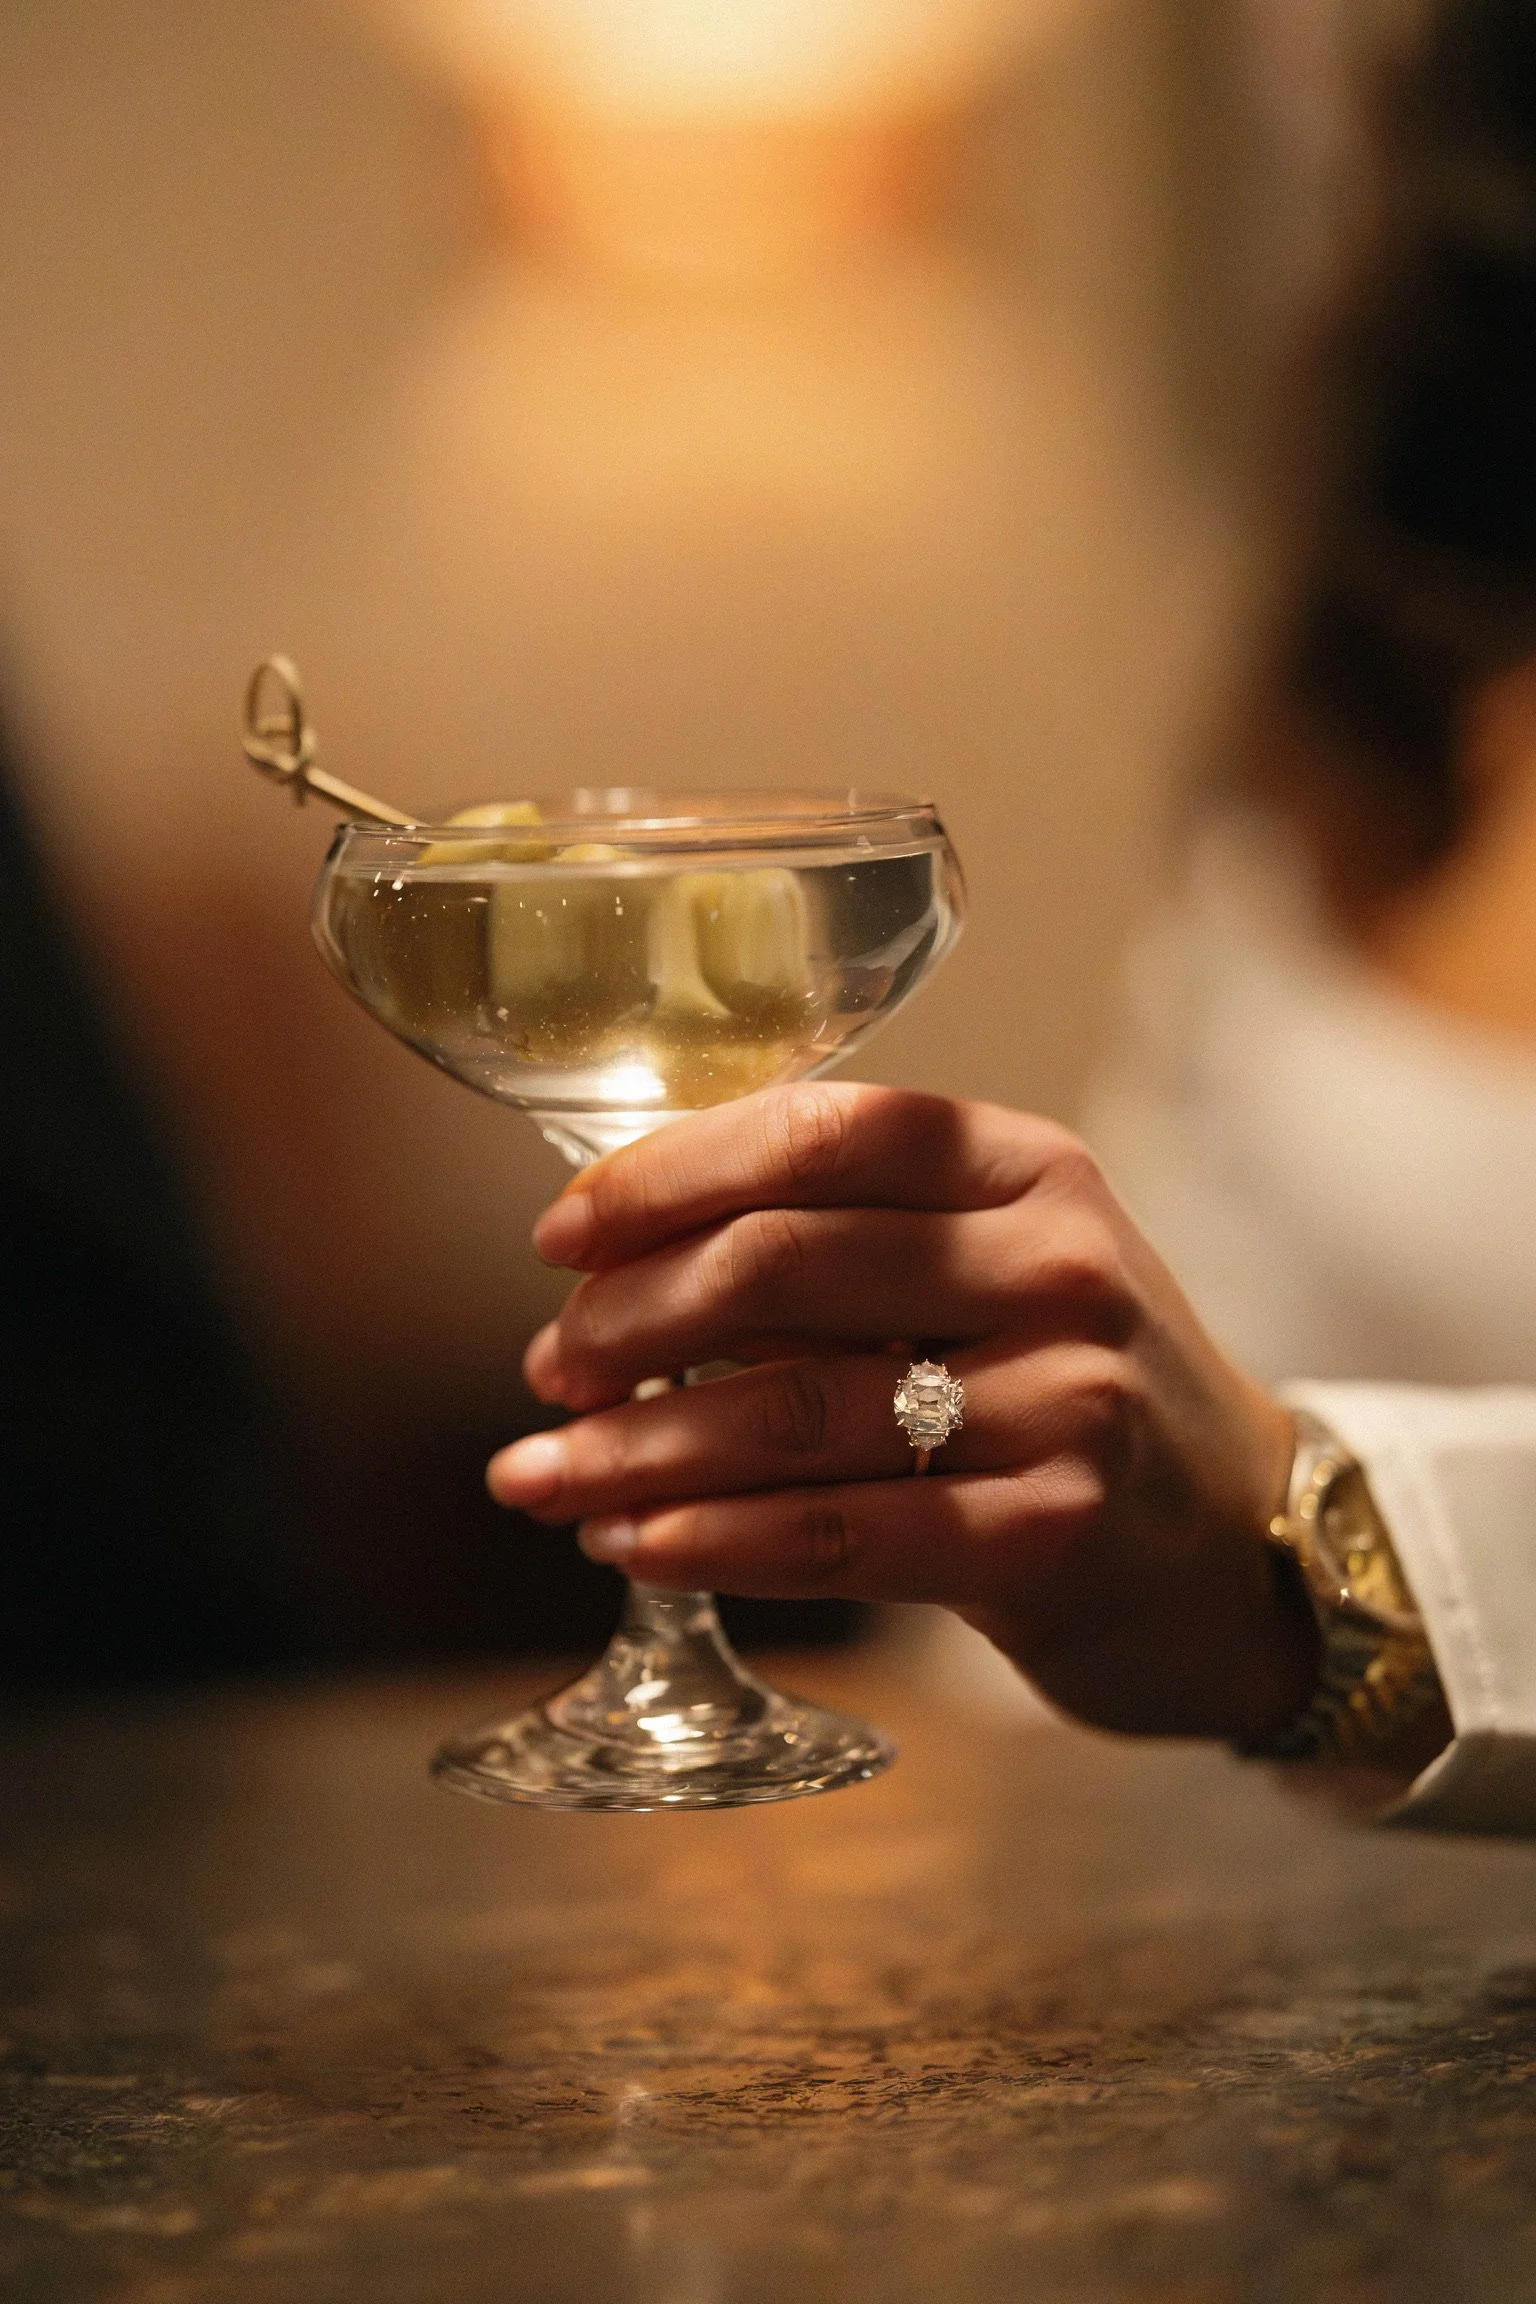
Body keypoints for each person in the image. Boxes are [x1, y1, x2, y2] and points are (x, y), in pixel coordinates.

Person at [486, 0, 1536, 1838]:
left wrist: (1316, 1555)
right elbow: (1154, 1323)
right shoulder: (1391, 657)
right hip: (1191, 1909)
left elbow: (1222, 1501)